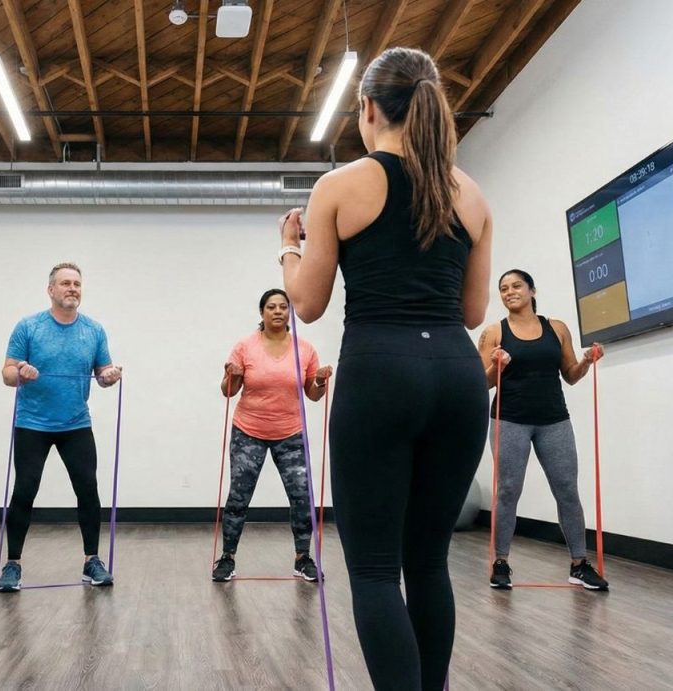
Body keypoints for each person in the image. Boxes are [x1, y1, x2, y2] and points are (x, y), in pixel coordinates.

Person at [278, 47, 493, 690]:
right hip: (456, 374)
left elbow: (308, 305)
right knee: (428, 564)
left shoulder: (341, 186)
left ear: (369, 108)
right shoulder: (471, 193)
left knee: (374, 570)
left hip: (379, 371)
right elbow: (474, 309)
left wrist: (288, 248)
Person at [478, 269, 608, 591]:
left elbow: (570, 375)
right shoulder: (494, 332)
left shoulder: (557, 328)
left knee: (567, 491)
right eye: (504, 288)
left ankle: (579, 565)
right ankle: (501, 563)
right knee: (508, 491)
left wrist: (586, 361)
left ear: (532, 290)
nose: (510, 292)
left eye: (516, 286)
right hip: (509, 419)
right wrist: (497, 365)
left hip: (554, 420)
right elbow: (480, 382)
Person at [0, 262, 122, 592]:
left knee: (88, 491)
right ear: (51, 290)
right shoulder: (29, 327)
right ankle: (12, 564)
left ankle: (92, 561)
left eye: (77, 284)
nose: (72, 289)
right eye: (65, 283)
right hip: (32, 423)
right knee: (25, 490)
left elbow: (103, 372)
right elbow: (7, 373)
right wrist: (20, 370)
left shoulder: (94, 331)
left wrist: (109, 376)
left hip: (76, 424)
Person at [213, 289, 333, 582]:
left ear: (289, 313)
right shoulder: (245, 346)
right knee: (239, 496)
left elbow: (313, 395)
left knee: (302, 496)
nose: (278, 311)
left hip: (290, 433)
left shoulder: (304, 349)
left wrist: (318, 381)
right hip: (248, 431)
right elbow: (228, 391)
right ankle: (227, 557)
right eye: (271, 307)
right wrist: (233, 374)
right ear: (262, 312)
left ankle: (303, 558)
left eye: (283, 307)